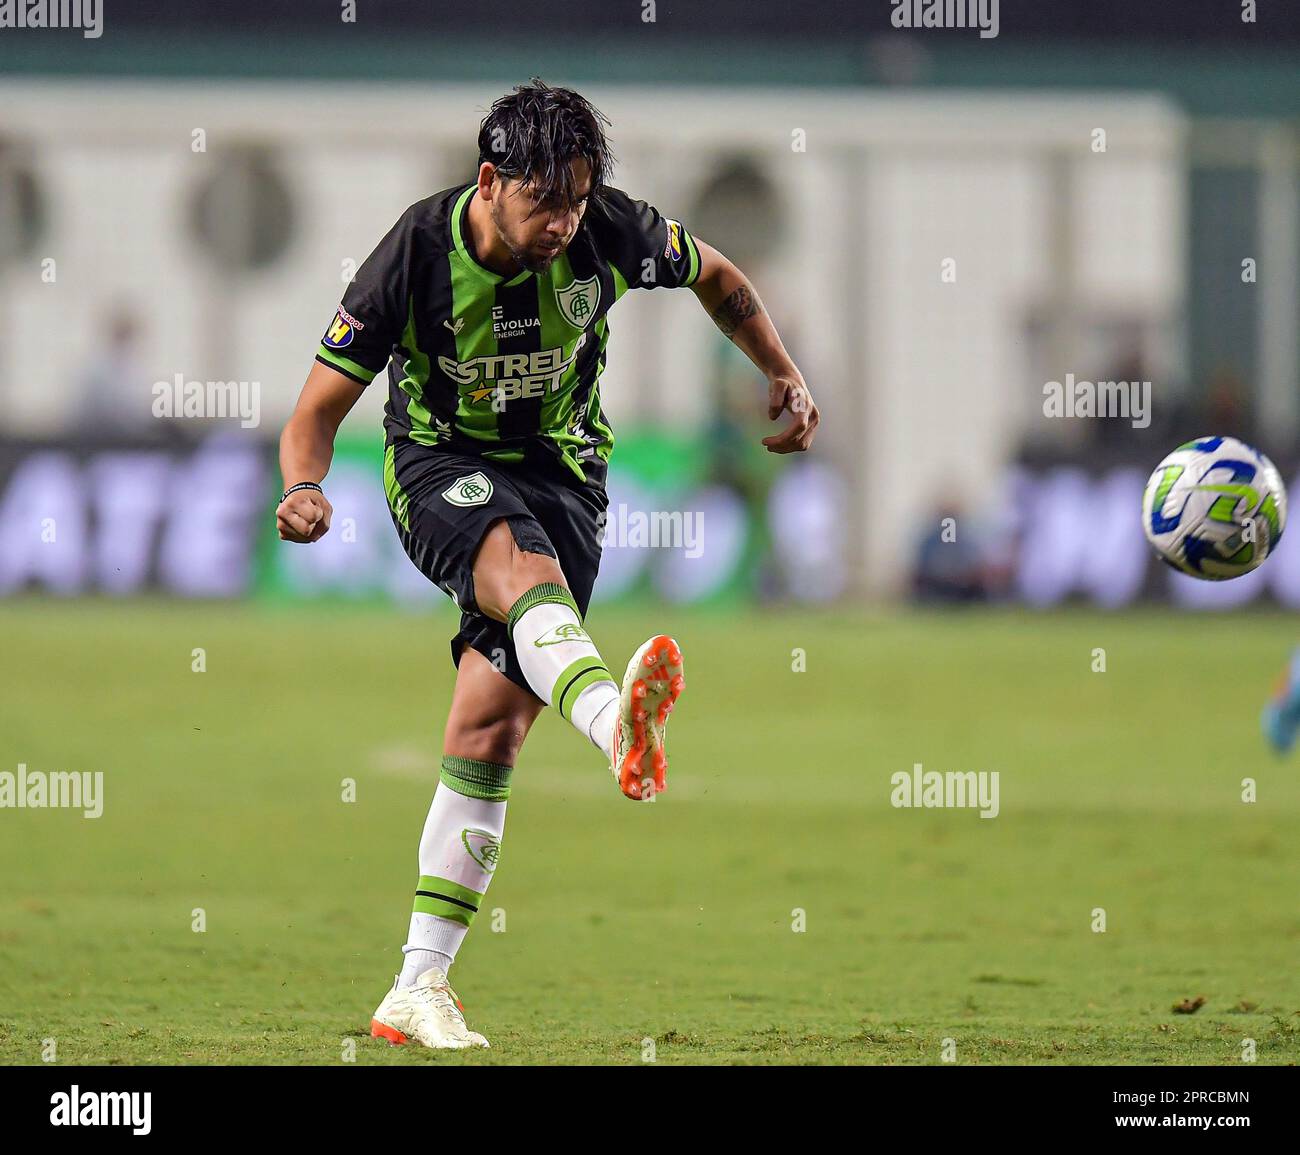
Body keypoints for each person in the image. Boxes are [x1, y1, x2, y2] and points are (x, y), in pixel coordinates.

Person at [275, 81, 820, 1050]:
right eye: (545, 202)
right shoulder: (414, 253)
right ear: (490, 182)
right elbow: (313, 413)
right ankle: (620, 730)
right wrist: (305, 488)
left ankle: (417, 986)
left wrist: (777, 370)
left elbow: (716, 275)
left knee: (490, 730)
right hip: (441, 469)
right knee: (520, 574)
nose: (564, 222)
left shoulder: (610, 230)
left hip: (568, 480)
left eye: (577, 199)